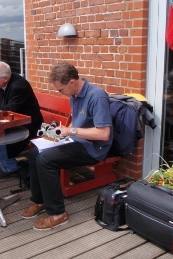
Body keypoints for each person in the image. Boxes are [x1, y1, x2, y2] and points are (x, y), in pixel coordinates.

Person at [21, 61, 113, 230]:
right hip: (78, 141)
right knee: (35, 153)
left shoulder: (96, 96)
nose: (61, 93)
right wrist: (61, 132)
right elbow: (77, 125)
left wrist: (71, 132)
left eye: (61, 90)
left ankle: (58, 213)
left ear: (71, 81)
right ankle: (39, 200)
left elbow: (103, 134)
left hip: (94, 148)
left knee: (45, 160)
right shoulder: (75, 96)